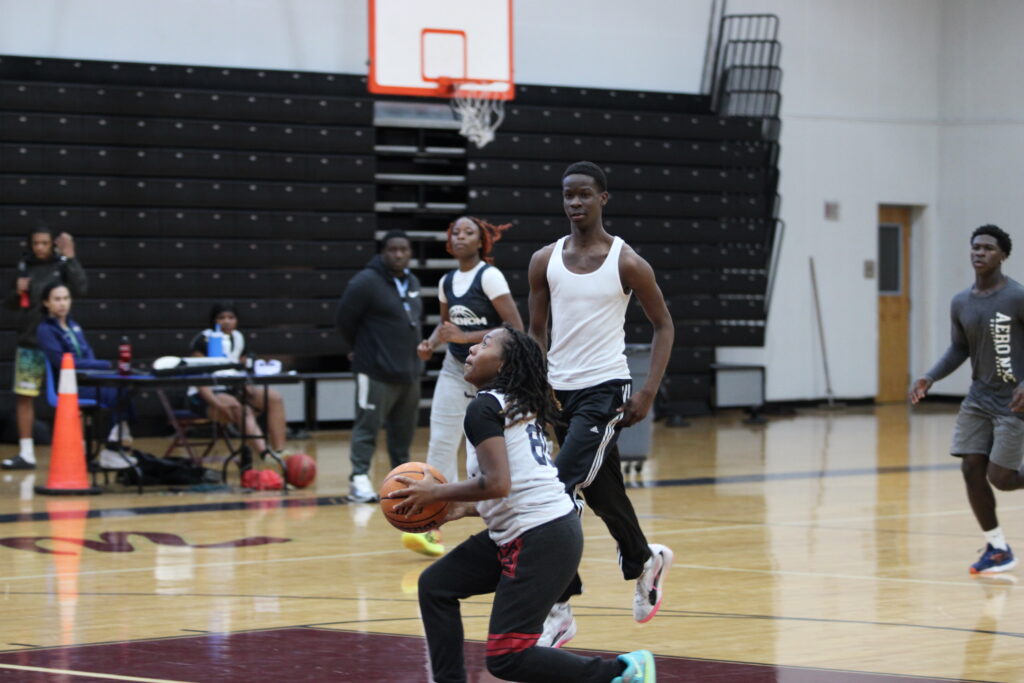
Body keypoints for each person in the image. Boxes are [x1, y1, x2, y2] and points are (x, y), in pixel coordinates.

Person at [391, 325, 655, 683]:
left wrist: (437, 493)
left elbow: (498, 483)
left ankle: (625, 672)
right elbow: (520, 486)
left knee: (508, 658)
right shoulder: (516, 406)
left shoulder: (485, 408)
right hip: (542, 530)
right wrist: (462, 508)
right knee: (436, 586)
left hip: (540, 538)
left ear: (505, 364)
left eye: (485, 344)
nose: (473, 349)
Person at [528, 161, 675, 645]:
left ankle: (559, 605)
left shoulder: (627, 262)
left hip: (606, 390)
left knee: (557, 488)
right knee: (603, 491)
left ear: (603, 198)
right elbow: (536, 330)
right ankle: (643, 559)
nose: (575, 202)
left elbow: (664, 325)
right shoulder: (544, 260)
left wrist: (647, 390)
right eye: (568, 195)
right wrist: (537, 384)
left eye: (584, 194)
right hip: (559, 392)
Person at [403, 216, 524, 558]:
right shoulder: (447, 281)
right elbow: (447, 327)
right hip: (456, 368)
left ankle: (520, 513)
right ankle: (431, 523)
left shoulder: (490, 276)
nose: (460, 236)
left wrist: (466, 336)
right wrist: (430, 343)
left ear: (481, 241)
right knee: (441, 443)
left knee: (503, 447)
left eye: (468, 232)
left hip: (494, 371)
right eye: (455, 232)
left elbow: (514, 327)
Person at [910, 224, 1024, 575]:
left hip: (1014, 402)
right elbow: (960, 348)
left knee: (1001, 478)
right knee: (971, 467)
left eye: (988, 248)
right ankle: (997, 548)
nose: (979, 252)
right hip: (979, 399)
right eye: (976, 247)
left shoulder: (1017, 297)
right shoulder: (961, 302)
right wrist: (931, 376)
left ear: (1003, 256)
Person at [336, 230, 423, 503]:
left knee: (403, 435)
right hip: (374, 371)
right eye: (392, 249)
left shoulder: (412, 281)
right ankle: (359, 479)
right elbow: (343, 320)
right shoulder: (365, 281)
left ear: (410, 253)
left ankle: (402, 481)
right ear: (382, 252)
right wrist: (360, 348)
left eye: (403, 250)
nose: (398, 254)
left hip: (408, 372)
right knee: (367, 428)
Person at [3, 226, 87, 470]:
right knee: (25, 395)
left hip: (60, 343)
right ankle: (26, 452)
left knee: (73, 396)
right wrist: (17, 292)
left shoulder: (62, 265)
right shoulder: (25, 266)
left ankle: (79, 448)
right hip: (30, 342)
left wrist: (71, 258)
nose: (40, 248)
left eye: (44, 243)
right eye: (36, 243)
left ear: (53, 244)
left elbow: (81, 288)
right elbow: (11, 304)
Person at [36, 282, 135, 449]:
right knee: (116, 392)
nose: (62, 303)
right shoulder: (45, 330)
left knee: (125, 387)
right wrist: (103, 365)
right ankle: (117, 437)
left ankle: (119, 431)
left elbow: (89, 353)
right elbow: (63, 363)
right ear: (46, 303)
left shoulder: (74, 326)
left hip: (87, 379)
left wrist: (98, 368)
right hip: (68, 385)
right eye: (57, 299)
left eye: (66, 298)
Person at [188, 302, 289, 462]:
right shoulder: (204, 340)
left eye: (231, 317)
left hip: (233, 389)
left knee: (273, 397)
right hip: (205, 393)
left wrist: (247, 387)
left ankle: (279, 451)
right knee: (241, 410)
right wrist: (216, 403)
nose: (227, 321)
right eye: (221, 318)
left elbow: (242, 368)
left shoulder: (239, 338)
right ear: (213, 320)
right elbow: (199, 378)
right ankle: (264, 454)